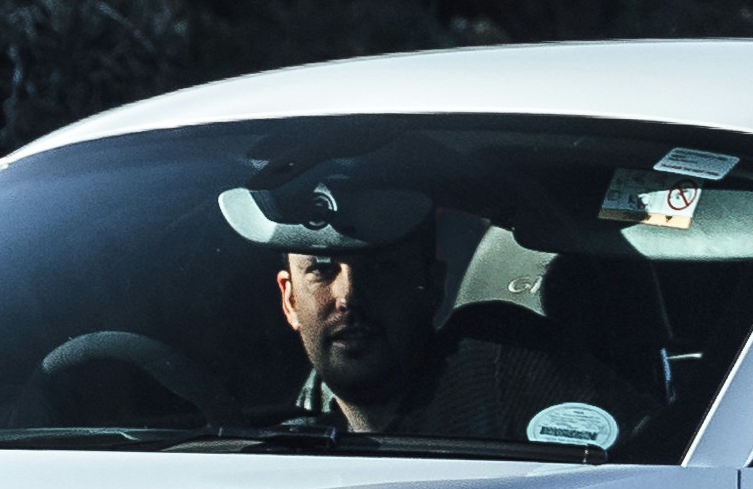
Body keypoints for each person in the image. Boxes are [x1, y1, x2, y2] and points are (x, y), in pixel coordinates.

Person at [231, 174, 557, 448]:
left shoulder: (500, 372)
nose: (349, 295)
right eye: (322, 270)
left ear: (432, 284)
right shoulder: (276, 449)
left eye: (380, 269)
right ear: (289, 301)